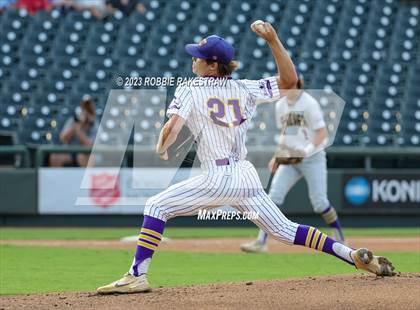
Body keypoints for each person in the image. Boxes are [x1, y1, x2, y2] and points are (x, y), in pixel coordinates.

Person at [97, 22, 395, 294]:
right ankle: (351, 255)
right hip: (245, 176)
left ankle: (137, 274)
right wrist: (273, 39)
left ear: (212, 65)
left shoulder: (190, 88)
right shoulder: (245, 88)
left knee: (156, 205)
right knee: (284, 229)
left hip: (217, 177)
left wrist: (162, 147)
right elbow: (290, 81)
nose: (193, 60)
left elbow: (172, 127)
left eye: (199, 56)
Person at [241, 74, 346, 253]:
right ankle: (261, 242)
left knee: (320, 202)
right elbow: (286, 133)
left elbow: (322, 134)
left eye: (286, 81)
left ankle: (339, 237)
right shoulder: (281, 104)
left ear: (295, 82)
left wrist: (304, 152)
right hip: (290, 158)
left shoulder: (309, 103)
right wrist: (277, 156)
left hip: (313, 158)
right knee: (273, 197)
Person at [49, 95, 98, 167]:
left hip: (85, 153)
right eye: (84, 107)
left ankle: (84, 178)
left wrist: (79, 129)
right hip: (69, 151)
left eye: (88, 108)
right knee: (55, 157)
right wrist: (76, 125)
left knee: (85, 158)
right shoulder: (74, 120)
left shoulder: (94, 124)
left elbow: (90, 145)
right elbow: (63, 139)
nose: (85, 111)